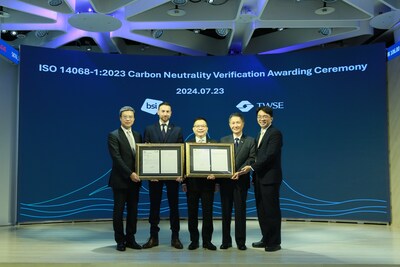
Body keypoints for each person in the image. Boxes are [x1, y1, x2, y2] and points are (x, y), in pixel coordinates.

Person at [233, 106, 283, 252]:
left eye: (265, 116)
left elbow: (270, 155)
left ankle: (274, 243)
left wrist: (251, 167)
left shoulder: (275, 133)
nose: (262, 119)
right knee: (262, 210)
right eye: (259, 117)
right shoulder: (260, 133)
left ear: (271, 118)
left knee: (271, 210)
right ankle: (266, 238)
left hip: (270, 179)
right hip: (259, 179)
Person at [142, 102, 184, 249]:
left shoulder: (177, 130)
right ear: (157, 112)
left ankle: (175, 237)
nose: (165, 114)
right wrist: (148, 174)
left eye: (168, 111)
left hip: (173, 176)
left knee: (174, 207)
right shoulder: (149, 129)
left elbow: (181, 154)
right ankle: (153, 237)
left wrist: (181, 174)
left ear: (171, 113)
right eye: (163, 111)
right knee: (154, 206)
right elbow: (145, 153)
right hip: (155, 176)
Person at [219, 112, 256, 251]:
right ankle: (226, 241)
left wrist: (239, 172)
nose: (235, 125)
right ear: (229, 125)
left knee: (240, 213)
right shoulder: (223, 140)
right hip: (225, 182)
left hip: (241, 181)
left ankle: (241, 242)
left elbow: (252, 159)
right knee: (226, 212)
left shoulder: (250, 140)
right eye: (233, 123)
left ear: (243, 124)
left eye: (238, 122)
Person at [107, 106, 142, 251]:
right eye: (125, 116)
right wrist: (130, 174)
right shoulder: (113, 135)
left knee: (133, 211)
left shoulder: (138, 135)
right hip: (121, 181)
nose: (128, 119)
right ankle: (120, 241)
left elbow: (141, 158)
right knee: (119, 211)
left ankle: (131, 239)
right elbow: (116, 158)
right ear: (120, 118)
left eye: (131, 117)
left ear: (134, 119)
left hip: (135, 181)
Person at [182, 117, 217, 251]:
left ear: (207, 129)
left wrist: (217, 180)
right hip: (192, 185)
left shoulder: (214, 143)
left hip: (209, 185)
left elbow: (218, 165)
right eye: (197, 126)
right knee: (192, 214)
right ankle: (194, 240)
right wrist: (183, 183)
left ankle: (207, 241)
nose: (200, 128)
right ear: (193, 129)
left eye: (203, 126)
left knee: (208, 214)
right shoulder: (187, 145)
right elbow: (183, 165)